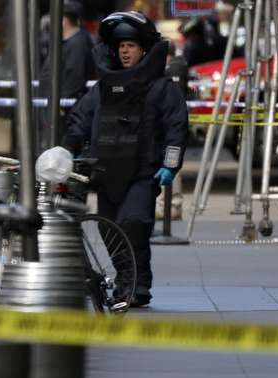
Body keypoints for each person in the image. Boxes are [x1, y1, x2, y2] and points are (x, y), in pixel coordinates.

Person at [62, 11, 189, 307]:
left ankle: (137, 285)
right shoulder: (103, 90)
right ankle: (126, 280)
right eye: (120, 46)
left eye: (131, 45)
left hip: (143, 173)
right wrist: (67, 149)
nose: (124, 51)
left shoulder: (161, 88)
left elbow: (176, 128)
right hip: (106, 174)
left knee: (133, 223)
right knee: (108, 228)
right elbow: (79, 120)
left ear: (144, 48)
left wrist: (170, 165)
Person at [39, 1, 96, 148]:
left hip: (65, 110)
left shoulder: (78, 43)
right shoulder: (67, 42)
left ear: (62, 21)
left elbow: (74, 76)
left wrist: (61, 105)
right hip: (56, 106)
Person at [156, 41, 188, 220]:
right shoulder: (176, 66)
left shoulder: (174, 68)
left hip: (170, 129)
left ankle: (171, 207)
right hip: (169, 128)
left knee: (171, 166)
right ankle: (167, 206)